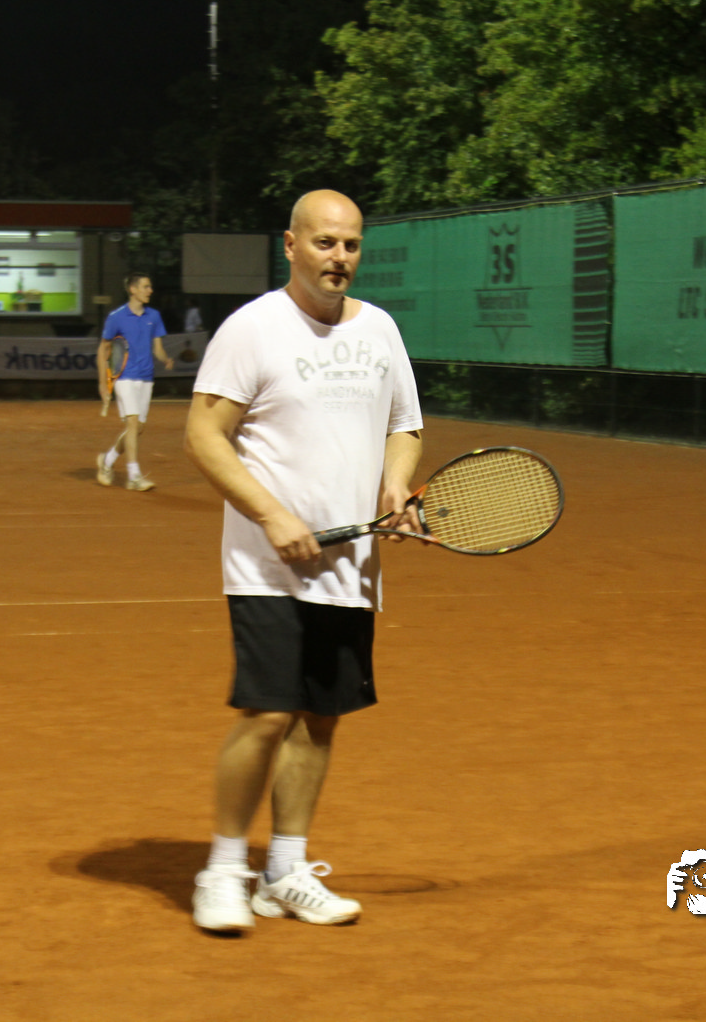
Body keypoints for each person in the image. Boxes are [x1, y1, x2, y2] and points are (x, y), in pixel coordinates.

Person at [182, 190, 423, 933]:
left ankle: (284, 871)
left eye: (350, 245)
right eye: (324, 243)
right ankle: (223, 869)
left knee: (320, 718)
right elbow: (203, 434)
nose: (338, 258)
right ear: (290, 245)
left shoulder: (379, 329)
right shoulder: (252, 328)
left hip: (351, 566)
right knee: (265, 713)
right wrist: (272, 515)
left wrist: (395, 485)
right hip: (267, 562)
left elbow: (405, 425)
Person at [94, 273, 175, 492]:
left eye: (150, 287)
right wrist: (103, 383)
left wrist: (165, 359)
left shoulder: (154, 316)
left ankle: (107, 461)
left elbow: (157, 348)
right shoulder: (116, 317)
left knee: (137, 428)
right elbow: (103, 349)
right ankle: (134, 476)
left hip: (146, 378)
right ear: (133, 289)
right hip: (124, 376)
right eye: (146, 286)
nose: (150, 290)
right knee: (132, 423)